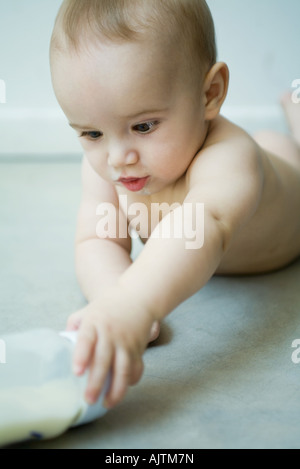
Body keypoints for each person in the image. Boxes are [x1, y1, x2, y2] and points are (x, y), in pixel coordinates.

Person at [49, 0, 300, 410]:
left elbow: (205, 224)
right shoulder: (109, 167)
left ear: (210, 94)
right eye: (91, 133)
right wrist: (113, 300)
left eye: (143, 126)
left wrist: (136, 301)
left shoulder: (228, 156)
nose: (117, 157)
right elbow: (97, 240)